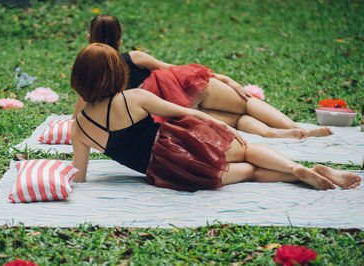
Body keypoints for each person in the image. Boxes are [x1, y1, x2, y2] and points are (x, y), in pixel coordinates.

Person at [70, 43, 361, 193]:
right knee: (247, 151)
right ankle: (300, 168)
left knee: (251, 172)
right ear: (116, 72)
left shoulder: (79, 128)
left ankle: (306, 176)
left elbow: (80, 177)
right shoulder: (133, 97)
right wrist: (220, 126)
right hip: (185, 143)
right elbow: (186, 112)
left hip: (167, 173)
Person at [72, 14, 333, 139]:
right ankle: (298, 130)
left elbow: (79, 118)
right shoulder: (134, 58)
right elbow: (175, 68)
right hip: (187, 91)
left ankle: (270, 134)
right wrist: (224, 78)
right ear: (119, 40)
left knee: (238, 119)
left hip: (168, 115)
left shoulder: (90, 79)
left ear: (89, 40)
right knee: (245, 103)